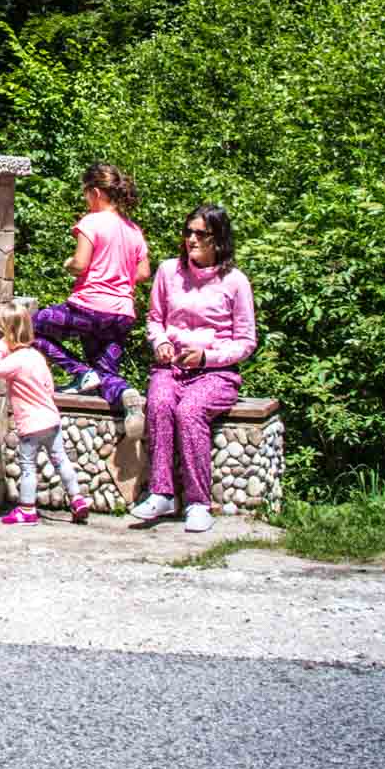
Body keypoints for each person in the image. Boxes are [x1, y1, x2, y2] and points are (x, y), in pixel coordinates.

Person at [131, 204, 257, 535]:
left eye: (200, 233)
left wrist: (206, 358)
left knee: (189, 411)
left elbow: (246, 341)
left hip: (217, 373)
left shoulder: (235, 282)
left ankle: (199, 503)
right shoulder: (168, 271)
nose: (191, 239)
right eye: (188, 231)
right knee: (158, 404)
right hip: (169, 368)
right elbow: (155, 319)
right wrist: (159, 342)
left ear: (219, 239)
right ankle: (162, 494)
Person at [32, 162, 151, 439]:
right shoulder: (133, 229)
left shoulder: (91, 222)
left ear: (96, 192)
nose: (85, 198)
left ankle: (79, 371)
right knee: (105, 371)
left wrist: (69, 263)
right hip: (121, 314)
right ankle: (127, 396)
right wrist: (118, 274)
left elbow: (80, 263)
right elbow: (144, 272)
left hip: (89, 307)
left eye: (86, 193)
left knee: (29, 326)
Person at [0, 302, 90, 526]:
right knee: (61, 461)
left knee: (27, 467)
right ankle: (77, 499)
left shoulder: (14, 360)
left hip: (31, 426)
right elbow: (49, 387)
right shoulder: (36, 356)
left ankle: (27, 510)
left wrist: (0, 349)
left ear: (7, 334)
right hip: (51, 421)